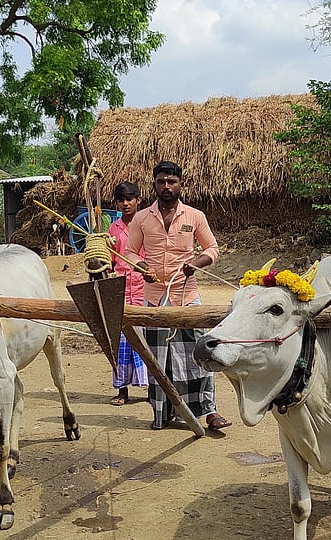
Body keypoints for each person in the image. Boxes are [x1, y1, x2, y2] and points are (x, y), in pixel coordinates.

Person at [124, 160, 231, 431]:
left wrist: (198, 263)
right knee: (158, 358)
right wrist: (143, 267)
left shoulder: (195, 216)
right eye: (161, 182)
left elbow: (213, 249)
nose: (166, 186)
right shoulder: (142, 218)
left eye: (172, 181)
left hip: (187, 296)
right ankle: (163, 413)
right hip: (155, 298)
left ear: (180, 184)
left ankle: (210, 412)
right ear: (154, 185)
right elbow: (130, 252)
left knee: (199, 353)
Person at [107, 181, 149, 406]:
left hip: (145, 288)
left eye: (129, 199)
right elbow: (110, 260)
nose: (125, 204)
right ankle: (122, 390)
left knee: (147, 338)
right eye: (121, 200)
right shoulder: (113, 230)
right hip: (122, 290)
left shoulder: (147, 225)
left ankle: (152, 387)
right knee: (120, 340)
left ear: (138, 200)